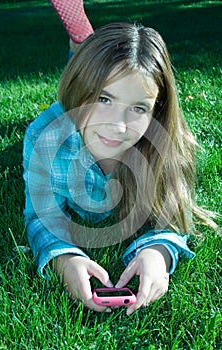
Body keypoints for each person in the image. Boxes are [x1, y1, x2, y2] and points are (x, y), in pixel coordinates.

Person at [23, 22, 217, 315]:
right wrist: (64, 259)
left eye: (139, 108)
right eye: (104, 99)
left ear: (156, 111)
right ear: (80, 90)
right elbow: (42, 213)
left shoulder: (165, 144)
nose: (118, 125)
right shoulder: (44, 138)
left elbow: (172, 212)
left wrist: (158, 253)